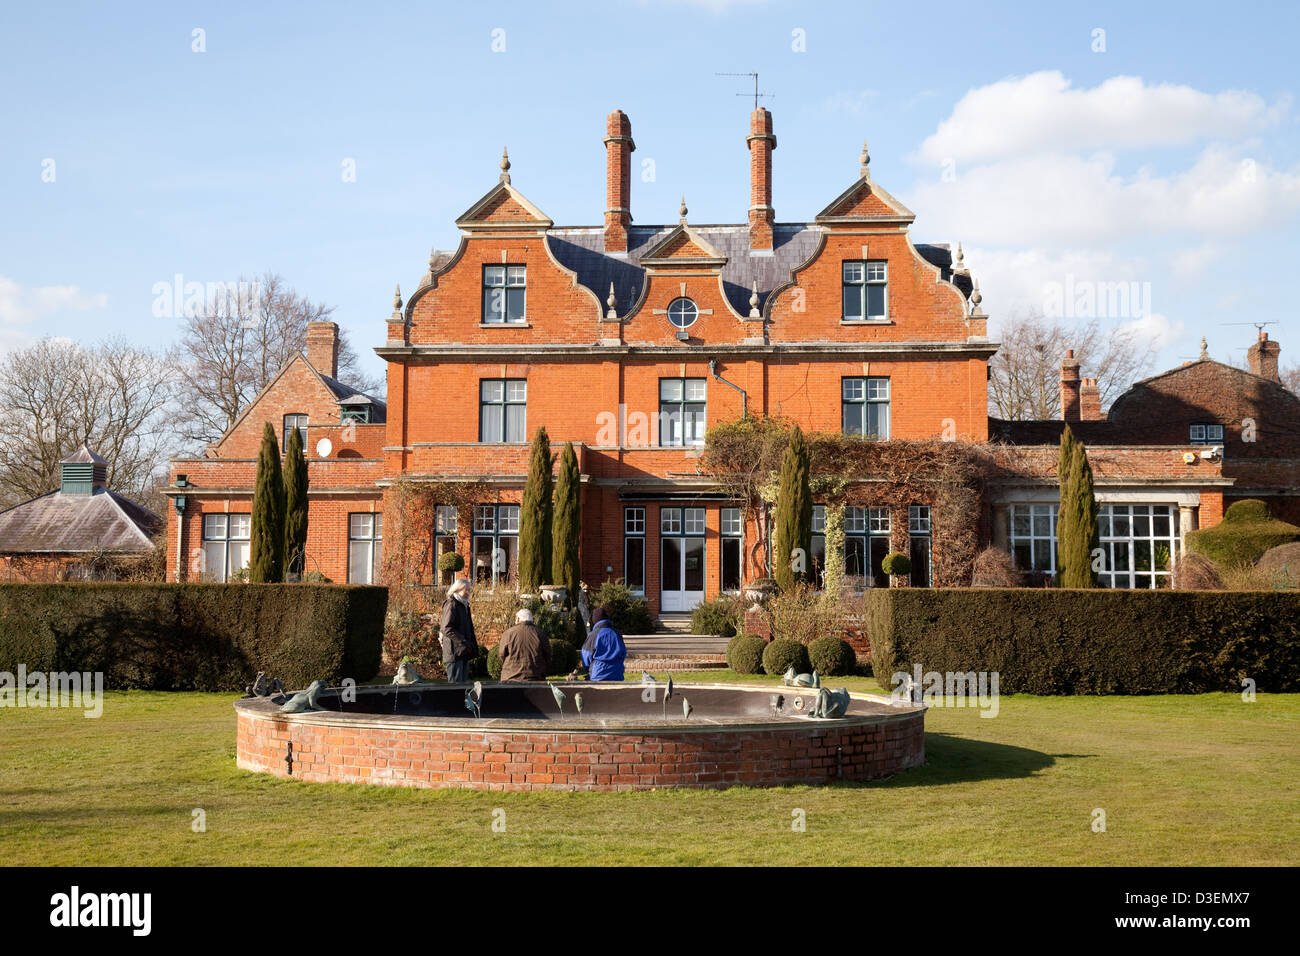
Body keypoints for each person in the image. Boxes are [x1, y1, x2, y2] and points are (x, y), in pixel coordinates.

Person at [496, 608, 551, 682]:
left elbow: (501, 655)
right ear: (532, 620)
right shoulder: (541, 633)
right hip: (535, 677)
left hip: (510, 677)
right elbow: (548, 654)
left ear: (518, 619)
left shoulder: (508, 633)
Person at [439, 578, 478, 683]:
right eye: (466, 590)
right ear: (457, 590)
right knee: (455, 688)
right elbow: (446, 628)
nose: (468, 593)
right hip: (454, 653)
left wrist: (472, 645)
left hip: (463, 652)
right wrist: (463, 641)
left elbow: (469, 628)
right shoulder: (451, 604)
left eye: (469, 590)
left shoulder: (465, 605)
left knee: (462, 688)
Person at [581, 606, 626, 682]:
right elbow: (623, 653)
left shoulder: (593, 635)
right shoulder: (617, 633)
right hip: (617, 675)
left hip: (597, 676)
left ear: (595, 620)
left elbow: (586, 656)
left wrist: (588, 669)